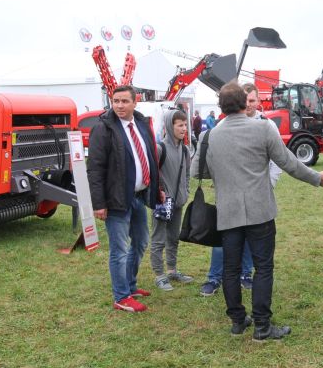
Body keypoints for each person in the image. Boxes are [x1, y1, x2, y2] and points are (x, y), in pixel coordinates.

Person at [192, 82, 323, 340]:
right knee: (263, 267)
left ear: (220, 107)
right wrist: (316, 178)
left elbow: (196, 171)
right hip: (260, 210)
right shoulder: (264, 127)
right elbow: (289, 163)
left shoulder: (209, 136)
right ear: (245, 103)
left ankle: (237, 321)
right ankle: (262, 326)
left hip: (228, 211)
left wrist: (224, 173)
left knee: (230, 268)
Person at [200, 83, 282, 296]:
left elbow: (278, 162)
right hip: (233, 202)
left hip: (254, 199)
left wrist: (265, 184)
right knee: (246, 259)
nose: (250, 104)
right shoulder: (216, 132)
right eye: (247, 100)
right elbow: (288, 161)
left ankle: (239, 311)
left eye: (253, 100)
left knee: (242, 260)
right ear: (242, 102)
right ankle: (257, 319)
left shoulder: (265, 126)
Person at [88, 86, 162, 313]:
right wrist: (99, 203)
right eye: (115, 101)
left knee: (140, 242)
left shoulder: (140, 124)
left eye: (124, 101)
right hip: (116, 200)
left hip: (139, 196)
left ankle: (130, 286)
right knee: (119, 250)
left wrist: (157, 188)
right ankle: (121, 296)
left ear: (135, 102)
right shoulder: (103, 128)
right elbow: (95, 169)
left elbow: (150, 158)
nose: (119, 105)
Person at [150, 109, 193, 291]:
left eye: (185, 124)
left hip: (178, 203)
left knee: (173, 238)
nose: (184, 128)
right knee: (158, 239)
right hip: (162, 203)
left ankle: (172, 270)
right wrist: (160, 193)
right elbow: (151, 175)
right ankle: (159, 275)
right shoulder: (160, 148)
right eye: (180, 125)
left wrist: (185, 192)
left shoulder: (185, 150)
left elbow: (187, 175)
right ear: (170, 125)